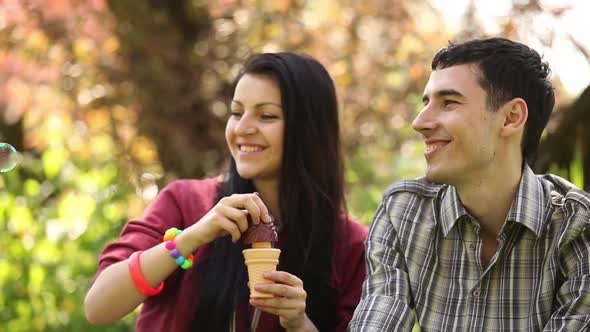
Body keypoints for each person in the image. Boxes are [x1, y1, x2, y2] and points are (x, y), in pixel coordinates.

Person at [84, 52, 368, 332]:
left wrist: (299, 324)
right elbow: (98, 306)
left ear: (309, 129)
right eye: (236, 113)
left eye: (266, 115)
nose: (242, 129)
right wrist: (192, 238)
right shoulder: (185, 203)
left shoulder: (351, 245)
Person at [349, 37, 590, 331]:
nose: (419, 122)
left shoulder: (576, 226)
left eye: (448, 102)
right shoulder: (403, 212)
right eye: (426, 103)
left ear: (511, 118)